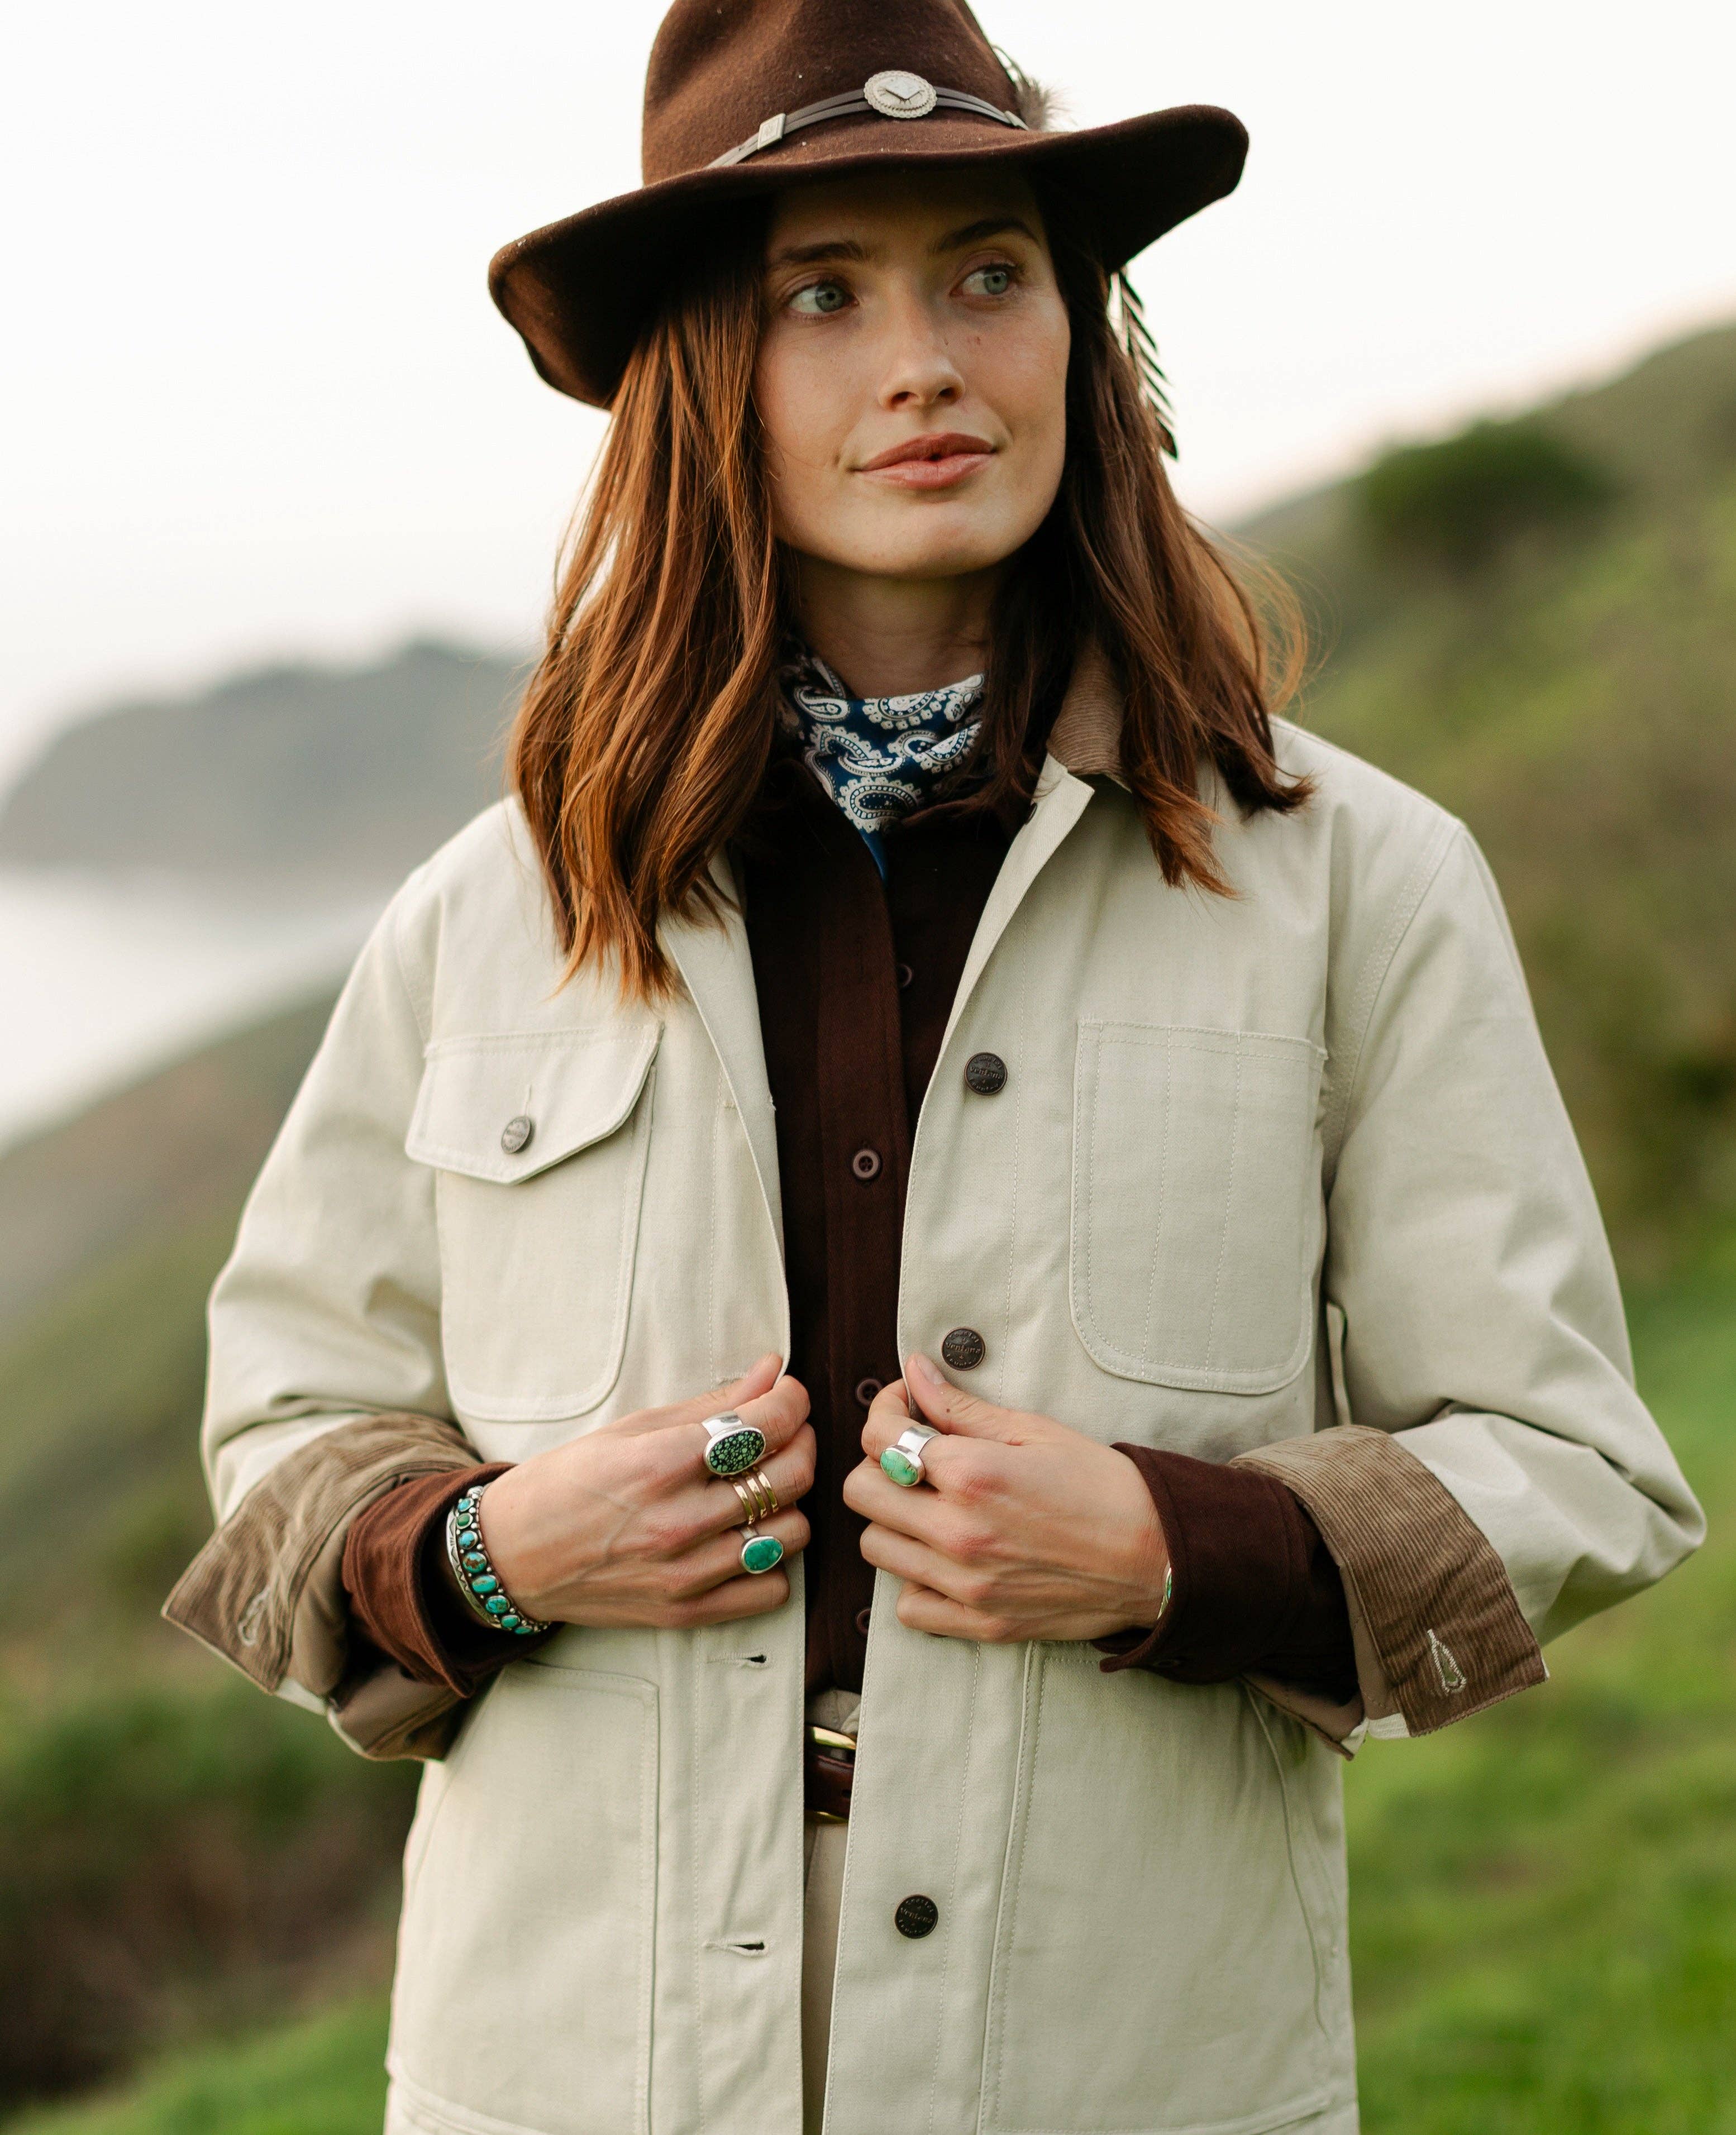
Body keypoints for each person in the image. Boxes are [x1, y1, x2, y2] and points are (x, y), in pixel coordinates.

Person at [165, 4, 1704, 2131]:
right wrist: (487, 1555)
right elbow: (284, 1425)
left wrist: (1181, 1549)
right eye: (824, 295)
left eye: (989, 275)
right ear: (705, 370)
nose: (925, 364)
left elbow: (1573, 1462)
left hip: (1128, 2056)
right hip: (569, 2060)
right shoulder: (493, 911)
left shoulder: (1358, 881)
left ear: (1080, 336)